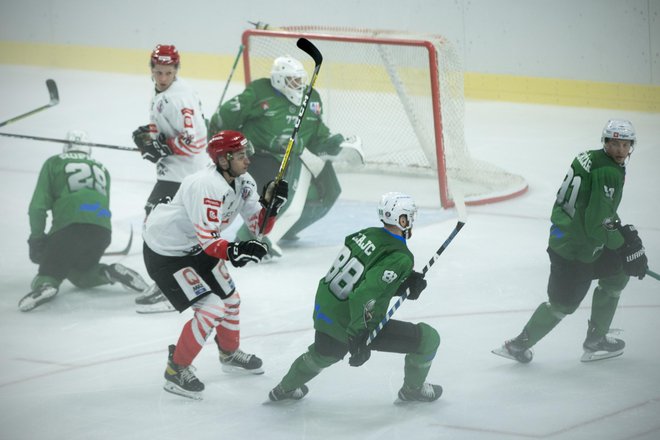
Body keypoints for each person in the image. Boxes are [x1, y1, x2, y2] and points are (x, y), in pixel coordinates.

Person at [142, 130, 289, 400]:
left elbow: (258, 227)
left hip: (195, 246)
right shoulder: (205, 186)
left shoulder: (243, 181)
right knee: (211, 308)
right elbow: (211, 243)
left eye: (247, 153)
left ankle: (229, 353)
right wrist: (237, 249)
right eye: (241, 155)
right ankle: (176, 369)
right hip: (167, 253)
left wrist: (271, 206)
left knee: (231, 300)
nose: (248, 160)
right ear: (223, 160)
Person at [492, 119, 649, 363]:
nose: (620, 149)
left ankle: (596, 340)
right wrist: (623, 246)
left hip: (573, 238)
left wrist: (622, 236)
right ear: (605, 143)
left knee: (618, 272)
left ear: (631, 146)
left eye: (625, 144)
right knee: (561, 305)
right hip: (576, 250)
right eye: (614, 143)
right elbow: (597, 222)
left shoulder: (588, 157)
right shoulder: (608, 171)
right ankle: (517, 345)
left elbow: (594, 206)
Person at [268, 192, 443, 403]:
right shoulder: (400, 256)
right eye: (410, 216)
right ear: (402, 219)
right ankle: (412, 390)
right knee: (428, 338)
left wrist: (402, 283)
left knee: (323, 353)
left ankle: (284, 389)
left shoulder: (366, 234)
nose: (412, 221)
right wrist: (358, 335)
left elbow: (364, 277)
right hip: (355, 321)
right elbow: (365, 294)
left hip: (327, 308)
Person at [208, 55, 364, 257]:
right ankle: (249, 239)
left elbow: (317, 136)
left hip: (288, 159)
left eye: (300, 79)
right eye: (293, 80)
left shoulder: (311, 98)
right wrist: (220, 145)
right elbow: (225, 117)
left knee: (329, 189)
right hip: (256, 158)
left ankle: (283, 230)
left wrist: (337, 145)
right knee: (283, 190)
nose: (298, 84)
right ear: (279, 80)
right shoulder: (259, 92)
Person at [19, 130, 149, 312]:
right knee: (81, 275)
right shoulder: (102, 169)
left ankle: (46, 285)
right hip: (102, 232)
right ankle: (109, 272)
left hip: (68, 229)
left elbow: (37, 208)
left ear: (66, 146)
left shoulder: (54, 162)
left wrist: (37, 238)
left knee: (49, 272)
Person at [132, 44, 210, 313]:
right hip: (174, 173)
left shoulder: (179, 98)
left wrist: (165, 147)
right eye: (158, 72)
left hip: (184, 176)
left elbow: (198, 141)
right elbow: (159, 124)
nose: (162, 77)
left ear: (176, 70)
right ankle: (171, 282)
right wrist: (151, 139)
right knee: (166, 229)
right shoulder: (160, 92)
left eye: (167, 72)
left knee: (158, 229)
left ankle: (172, 288)